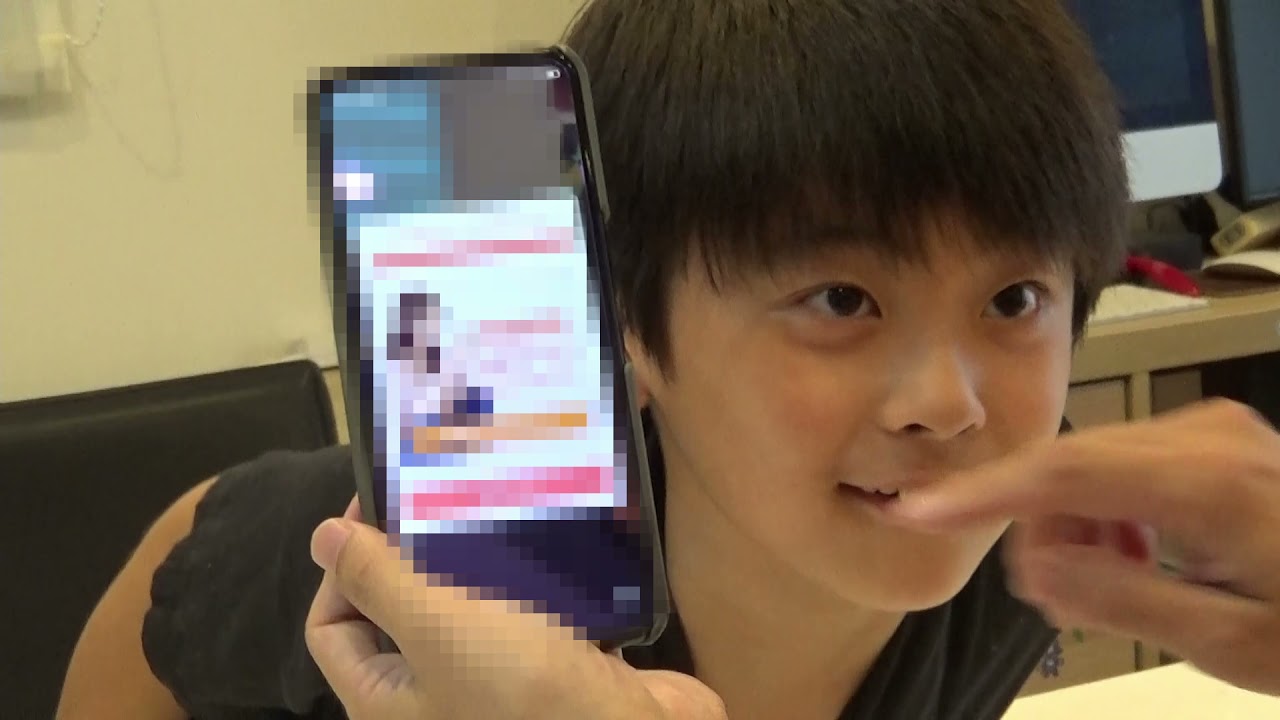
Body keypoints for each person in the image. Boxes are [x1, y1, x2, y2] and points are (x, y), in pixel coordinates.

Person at [55, 0, 1230, 718]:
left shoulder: (1025, 557)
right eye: (840, 299)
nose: (946, 402)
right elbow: (193, 556)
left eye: (1011, 299)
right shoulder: (464, 559)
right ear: (626, 321)